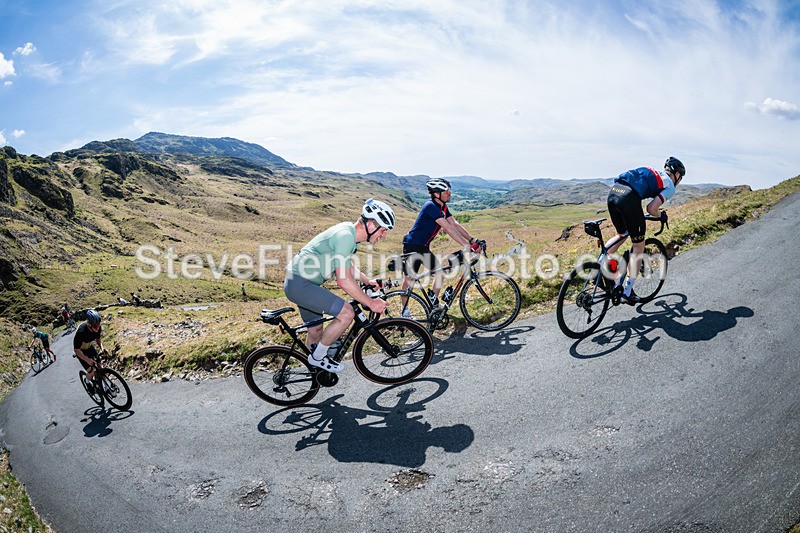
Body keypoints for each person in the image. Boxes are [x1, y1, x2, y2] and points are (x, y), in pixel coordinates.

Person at [283, 198, 396, 373]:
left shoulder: (349, 234)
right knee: (347, 313)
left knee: (315, 331)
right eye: (383, 230)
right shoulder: (345, 237)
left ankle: (313, 373)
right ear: (372, 225)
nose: (384, 235)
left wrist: (367, 281)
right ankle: (318, 358)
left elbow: (346, 264)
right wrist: (371, 303)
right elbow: (343, 280)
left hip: (299, 283)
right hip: (301, 285)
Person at [605, 156, 685, 304]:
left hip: (613, 193)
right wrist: (661, 216)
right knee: (639, 246)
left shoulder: (652, 172)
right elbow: (651, 208)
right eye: (681, 177)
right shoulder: (670, 186)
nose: (679, 181)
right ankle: (627, 292)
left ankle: (601, 265)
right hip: (628, 199)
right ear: (677, 175)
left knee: (621, 234)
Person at [398, 178, 482, 314]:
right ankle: (404, 312)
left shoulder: (443, 207)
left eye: (449, 190)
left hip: (423, 247)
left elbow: (455, 224)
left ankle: (433, 306)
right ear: (437, 194)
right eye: (446, 191)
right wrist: (466, 245)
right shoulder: (430, 206)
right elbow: (448, 228)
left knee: (440, 272)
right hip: (412, 246)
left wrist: (472, 240)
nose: (449, 193)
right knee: (409, 280)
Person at [73, 310, 107, 386]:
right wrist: (87, 359)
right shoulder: (81, 332)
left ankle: (106, 386)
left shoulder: (97, 327)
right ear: (89, 324)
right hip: (81, 352)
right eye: (95, 326)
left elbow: (98, 340)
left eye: (98, 325)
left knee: (101, 366)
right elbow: (76, 349)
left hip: (89, 347)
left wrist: (102, 348)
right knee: (92, 372)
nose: (97, 328)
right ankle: (87, 382)